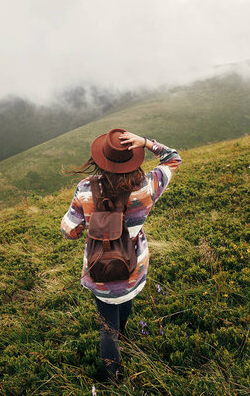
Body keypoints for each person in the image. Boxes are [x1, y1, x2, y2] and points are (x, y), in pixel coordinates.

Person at [60, 128, 182, 381]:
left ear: (100, 159)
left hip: (99, 271)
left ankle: (112, 377)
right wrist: (147, 142)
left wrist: (89, 222)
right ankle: (124, 333)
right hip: (132, 269)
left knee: (107, 328)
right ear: (133, 159)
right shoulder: (147, 187)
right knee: (125, 298)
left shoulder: (85, 188)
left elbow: (69, 231)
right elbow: (173, 158)